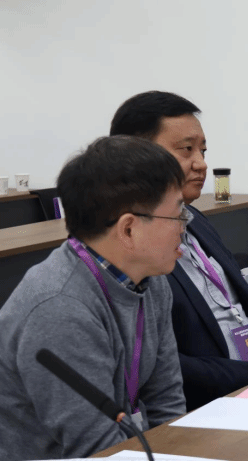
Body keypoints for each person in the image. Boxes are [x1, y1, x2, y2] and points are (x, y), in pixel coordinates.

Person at [110, 91, 248, 411]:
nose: (201, 163)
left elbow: (244, 303)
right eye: (186, 150)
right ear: (136, 154)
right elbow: (156, 361)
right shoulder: (127, 243)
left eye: (203, 150)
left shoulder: (195, 219)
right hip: (211, 403)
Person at [0, 136, 187, 460]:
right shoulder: (59, 308)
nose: (184, 227)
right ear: (128, 230)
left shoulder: (150, 280)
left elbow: (167, 404)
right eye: (178, 216)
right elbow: (96, 449)